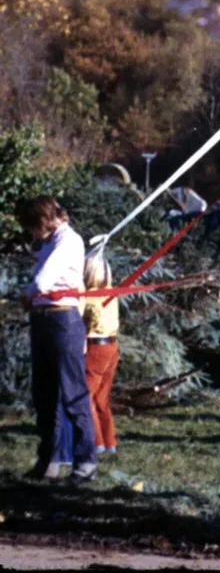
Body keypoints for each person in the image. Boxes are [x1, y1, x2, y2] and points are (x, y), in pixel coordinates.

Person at [17, 195, 97, 484]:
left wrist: (28, 294)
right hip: (43, 320)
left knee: (72, 392)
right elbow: (38, 277)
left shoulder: (68, 241)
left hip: (62, 321)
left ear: (43, 221)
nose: (30, 235)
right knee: (45, 393)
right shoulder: (51, 241)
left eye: (31, 227)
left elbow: (43, 280)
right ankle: (49, 460)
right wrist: (30, 296)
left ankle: (85, 461)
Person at [82, 251, 121, 454]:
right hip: (112, 347)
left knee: (85, 396)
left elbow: (84, 320)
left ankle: (96, 441)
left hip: (96, 348)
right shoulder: (112, 293)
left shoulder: (88, 298)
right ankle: (109, 442)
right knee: (102, 398)